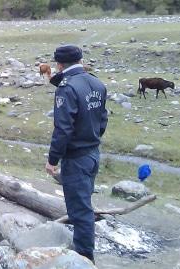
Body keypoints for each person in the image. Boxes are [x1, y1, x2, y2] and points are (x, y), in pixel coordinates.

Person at [45, 45, 108, 263]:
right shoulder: (97, 83)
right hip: (92, 153)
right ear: (81, 60)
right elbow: (103, 120)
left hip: (76, 158)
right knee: (85, 203)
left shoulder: (67, 88)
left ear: (60, 64)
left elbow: (63, 129)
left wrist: (53, 159)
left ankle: (84, 259)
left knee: (80, 212)